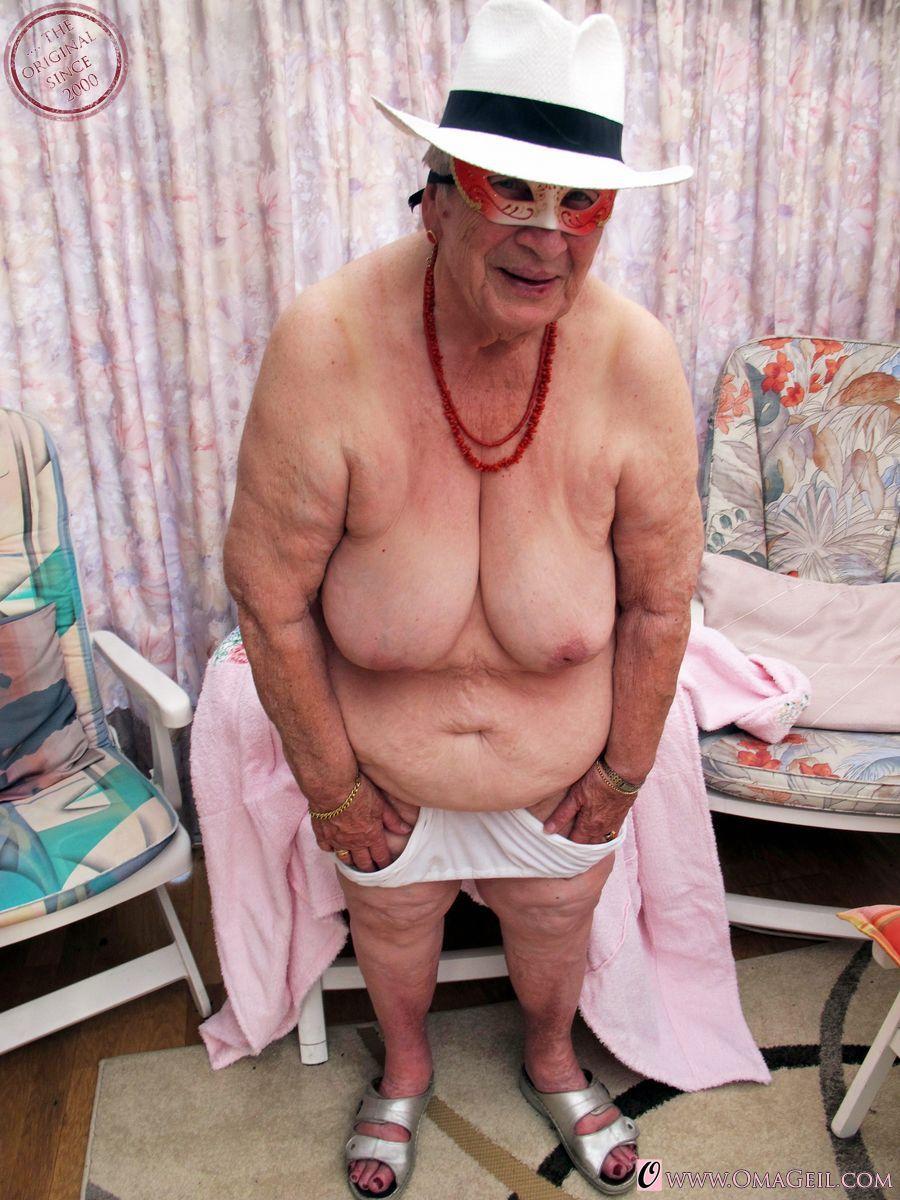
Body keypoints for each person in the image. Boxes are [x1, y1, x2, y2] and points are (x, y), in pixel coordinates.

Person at [223, 0, 702, 1194]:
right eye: (510, 193)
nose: (546, 238)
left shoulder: (635, 358)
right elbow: (268, 595)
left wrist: (622, 774)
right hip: (379, 788)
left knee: (555, 929)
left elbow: (660, 602)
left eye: (580, 203)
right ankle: (402, 1069)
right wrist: (333, 789)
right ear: (435, 199)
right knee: (393, 928)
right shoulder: (326, 342)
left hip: (563, 787)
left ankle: (551, 1059)